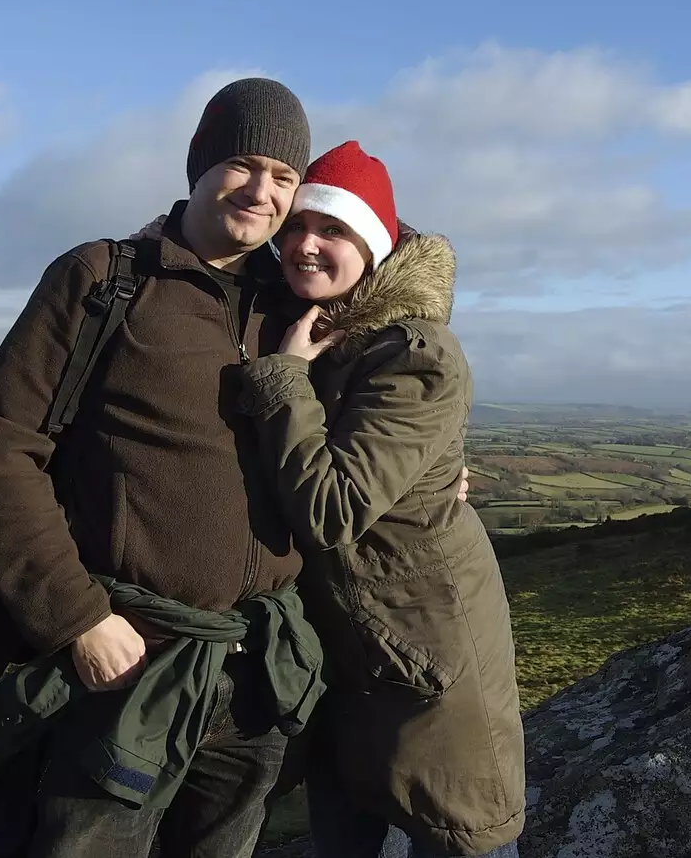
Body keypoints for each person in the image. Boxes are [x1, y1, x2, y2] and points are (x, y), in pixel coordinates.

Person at [0, 77, 325, 858]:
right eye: (243, 165)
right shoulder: (105, 278)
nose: (262, 190)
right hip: (128, 664)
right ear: (199, 168)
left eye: (284, 176)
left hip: (254, 674)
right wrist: (76, 617)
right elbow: (0, 448)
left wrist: (434, 471)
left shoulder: (296, 302)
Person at [239, 141, 525, 857]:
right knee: (347, 824)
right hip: (351, 645)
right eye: (297, 226)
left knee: (459, 831)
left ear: (372, 243)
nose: (305, 244)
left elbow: (333, 510)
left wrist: (282, 382)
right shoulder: (322, 329)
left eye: (332, 230)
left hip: (422, 640)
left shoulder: (413, 354)